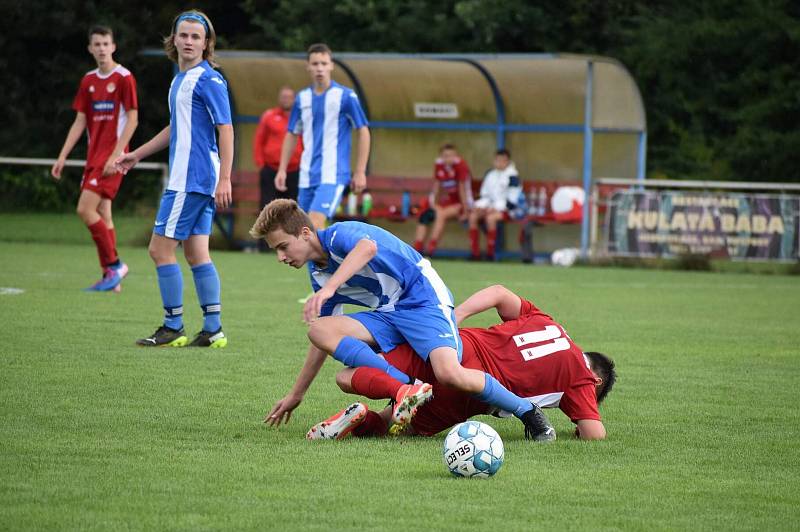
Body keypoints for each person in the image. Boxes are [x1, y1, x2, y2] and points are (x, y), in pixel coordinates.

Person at [249, 199, 555, 440]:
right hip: (389, 314)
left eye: (283, 247)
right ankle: (406, 388)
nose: (281, 256)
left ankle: (528, 411)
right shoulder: (318, 273)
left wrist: (329, 288)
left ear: (305, 233)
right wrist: (296, 394)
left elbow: (367, 248)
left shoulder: (341, 234)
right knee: (319, 330)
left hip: (423, 301)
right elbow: (324, 343)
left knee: (450, 374)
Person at [307, 285, 615, 441]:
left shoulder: (546, 322)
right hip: (468, 390)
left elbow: (498, 292)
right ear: (596, 381)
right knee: (400, 428)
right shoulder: (582, 378)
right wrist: (580, 429)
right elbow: (594, 434)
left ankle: (392, 394)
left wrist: (457, 316)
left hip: (448, 346)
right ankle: (371, 419)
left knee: (348, 376)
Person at [115, 10, 232, 348]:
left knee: (159, 249)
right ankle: (213, 329)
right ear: (174, 38)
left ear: (207, 43)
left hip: (191, 179)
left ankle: (173, 326)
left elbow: (226, 128)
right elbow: (176, 128)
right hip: (194, 178)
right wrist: (138, 153)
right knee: (196, 253)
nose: (189, 41)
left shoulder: (208, 79)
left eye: (196, 37)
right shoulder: (181, 78)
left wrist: (225, 177)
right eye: (184, 35)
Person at [51, 25, 138, 292]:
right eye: (96, 44)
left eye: (105, 43)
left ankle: (115, 265)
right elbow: (79, 121)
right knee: (103, 213)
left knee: (84, 209)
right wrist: (63, 156)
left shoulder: (124, 77)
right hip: (93, 156)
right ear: (90, 48)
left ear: (113, 46)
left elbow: (133, 119)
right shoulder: (88, 81)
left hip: (111, 158)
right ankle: (111, 280)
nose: (101, 48)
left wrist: (116, 156)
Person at [274, 43, 370, 232]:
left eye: (324, 63)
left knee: (313, 225)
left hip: (333, 175)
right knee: (303, 230)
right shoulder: (302, 98)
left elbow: (363, 130)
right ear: (308, 66)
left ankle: (342, 262)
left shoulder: (346, 96)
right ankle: (327, 262)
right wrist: (282, 169)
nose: (320, 68)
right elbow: (292, 133)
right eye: (315, 63)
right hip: (307, 175)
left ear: (331, 65)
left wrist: (360, 171)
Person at [412, 143, 472, 257]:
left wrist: (466, 211)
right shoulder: (439, 165)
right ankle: (417, 249)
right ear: (441, 156)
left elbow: (463, 189)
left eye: (451, 155)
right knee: (424, 214)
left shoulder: (461, 165)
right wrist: (433, 203)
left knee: (441, 214)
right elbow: (437, 186)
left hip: (463, 202)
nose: (448, 158)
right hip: (448, 202)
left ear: (456, 156)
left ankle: (431, 249)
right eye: (445, 156)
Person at [467, 149, 522, 261]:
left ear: (508, 161)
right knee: (473, 216)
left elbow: (512, 201)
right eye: (498, 160)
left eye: (503, 161)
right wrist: (482, 206)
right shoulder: (490, 174)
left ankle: (490, 254)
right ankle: (475, 253)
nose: (500, 163)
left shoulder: (513, 176)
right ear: (494, 161)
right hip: (490, 208)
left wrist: (494, 208)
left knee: (490, 219)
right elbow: (485, 195)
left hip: (509, 211)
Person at [253, 86, 303, 207]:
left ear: (294, 99)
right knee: (268, 207)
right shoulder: (269, 116)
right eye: (283, 97)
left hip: (294, 170)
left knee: (293, 209)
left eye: (289, 97)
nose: (286, 100)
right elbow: (259, 140)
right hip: (271, 169)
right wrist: (261, 164)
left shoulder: (300, 118)